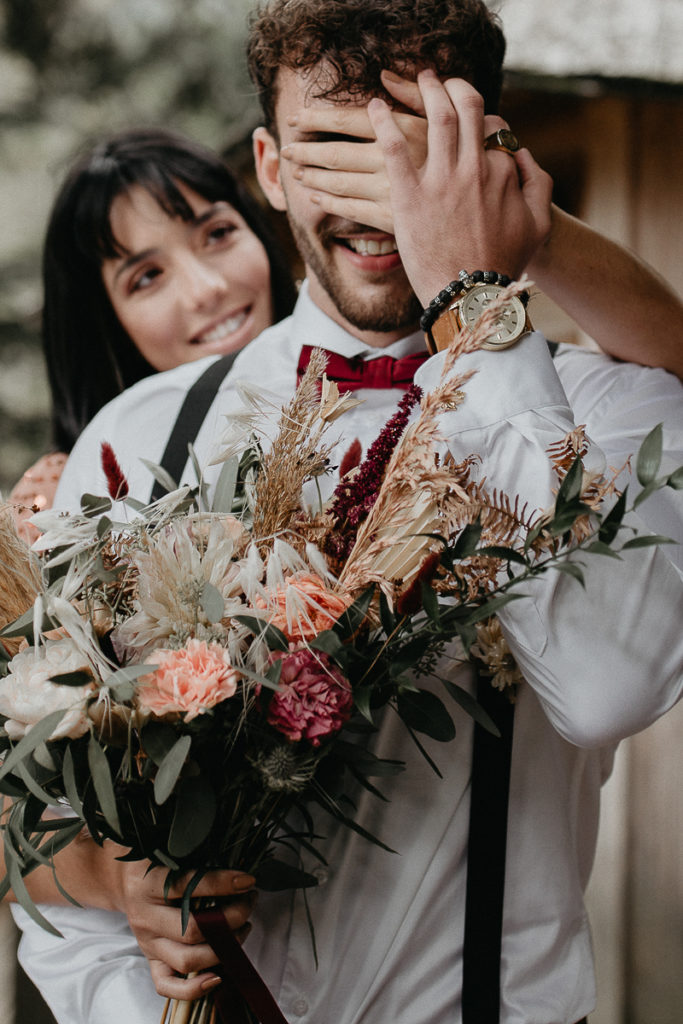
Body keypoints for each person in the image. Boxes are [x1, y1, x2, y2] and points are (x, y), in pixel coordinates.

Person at [8, 4, 682, 1024]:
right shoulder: (136, 441)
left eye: (414, 148)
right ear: (272, 170)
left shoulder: (614, 408)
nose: (382, 201)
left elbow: (602, 688)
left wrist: (474, 308)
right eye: (337, 150)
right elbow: (49, 830)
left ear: (487, 161)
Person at [8, 127, 298, 541]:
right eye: (147, 277)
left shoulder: (391, 363)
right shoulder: (61, 510)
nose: (206, 289)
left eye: (217, 234)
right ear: (104, 325)